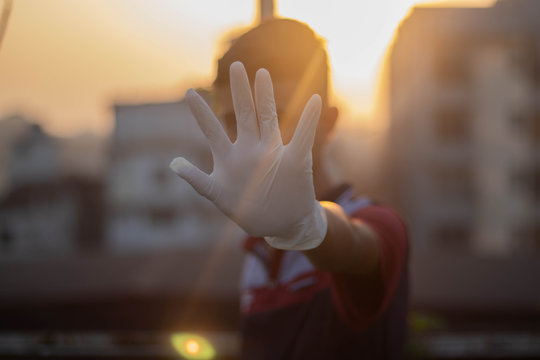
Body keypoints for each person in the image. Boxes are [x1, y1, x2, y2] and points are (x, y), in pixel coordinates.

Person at [170, 18, 409, 359]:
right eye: (235, 121)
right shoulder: (257, 250)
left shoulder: (380, 224)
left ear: (327, 122)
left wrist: (307, 227)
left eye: (275, 117)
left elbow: (355, 245)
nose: (254, 142)